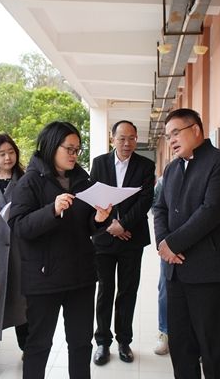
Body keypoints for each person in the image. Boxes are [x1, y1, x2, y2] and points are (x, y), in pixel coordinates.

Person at [8, 121, 112, 379]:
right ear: (52, 146)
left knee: (81, 343)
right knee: (39, 344)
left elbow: (86, 225)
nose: (74, 154)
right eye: (69, 148)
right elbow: (19, 227)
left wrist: (99, 219)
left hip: (80, 276)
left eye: (77, 149)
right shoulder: (30, 181)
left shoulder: (83, 180)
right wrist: (52, 210)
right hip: (44, 277)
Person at [153, 108, 220, 379]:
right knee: (181, 347)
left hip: (209, 274)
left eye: (176, 133)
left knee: (213, 349)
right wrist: (163, 243)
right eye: (168, 136)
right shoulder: (171, 169)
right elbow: (160, 207)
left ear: (196, 130)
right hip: (175, 274)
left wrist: (173, 244)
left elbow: (211, 211)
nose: (171, 140)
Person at [90, 120, 155, 365]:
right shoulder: (99, 163)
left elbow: (145, 200)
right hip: (104, 239)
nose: (127, 143)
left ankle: (124, 341)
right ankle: (102, 342)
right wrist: (111, 226)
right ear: (112, 139)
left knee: (128, 291)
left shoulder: (145, 166)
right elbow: (94, 198)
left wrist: (124, 225)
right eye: (122, 138)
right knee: (105, 291)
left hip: (132, 239)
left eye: (132, 138)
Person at [0, 133, 28, 374]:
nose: (7, 157)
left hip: (20, 252)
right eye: (1, 153)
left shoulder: (26, 179)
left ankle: (29, 353)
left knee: (22, 308)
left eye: (11, 152)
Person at [152, 175, 169, 356]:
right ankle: (164, 332)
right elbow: (158, 209)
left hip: (198, 247)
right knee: (165, 290)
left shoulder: (215, 167)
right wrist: (163, 243)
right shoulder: (167, 176)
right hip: (169, 246)